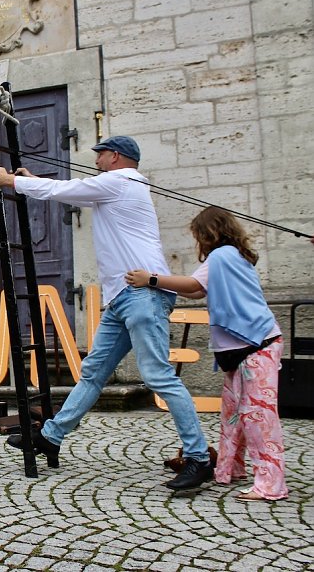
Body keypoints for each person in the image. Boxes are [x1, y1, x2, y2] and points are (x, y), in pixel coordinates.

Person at [0, 135, 212, 490]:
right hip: (125, 297)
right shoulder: (117, 187)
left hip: (143, 295)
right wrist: (30, 182)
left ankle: (198, 458)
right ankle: (52, 436)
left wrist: (12, 181)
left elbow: (68, 190)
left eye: (101, 154)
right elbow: (69, 191)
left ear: (116, 157)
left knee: (158, 376)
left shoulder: (119, 182)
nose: (96, 159)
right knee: (92, 372)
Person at [126, 207, 288, 501]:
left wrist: (151, 279)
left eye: (198, 235)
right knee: (233, 414)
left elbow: (193, 285)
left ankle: (271, 485)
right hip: (245, 344)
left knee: (257, 418)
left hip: (256, 344)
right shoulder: (233, 256)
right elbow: (199, 292)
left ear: (207, 233)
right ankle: (230, 468)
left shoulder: (223, 256)